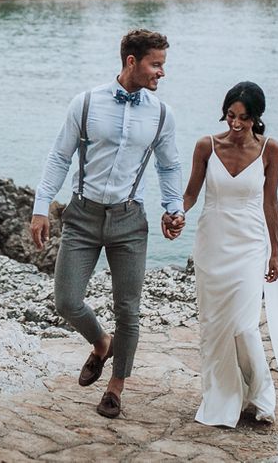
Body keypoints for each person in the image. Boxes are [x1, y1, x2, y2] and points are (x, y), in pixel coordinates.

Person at [29, 29, 185, 419]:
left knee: (128, 309)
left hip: (130, 220)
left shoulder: (161, 113)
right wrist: (41, 205)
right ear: (131, 61)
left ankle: (116, 388)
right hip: (82, 217)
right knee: (66, 300)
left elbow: (169, 164)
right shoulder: (85, 104)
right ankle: (101, 343)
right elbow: (59, 156)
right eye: (156, 63)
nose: (161, 72)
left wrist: (173, 206)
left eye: (163, 64)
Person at [183, 81, 278, 427]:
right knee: (213, 326)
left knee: (244, 326)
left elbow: (271, 202)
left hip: (249, 244)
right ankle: (221, 395)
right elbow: (190, 194)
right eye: (231, 115)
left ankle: (259, 396)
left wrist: (274, 253)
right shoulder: (206, 146)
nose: (236, 122)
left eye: (243, 117)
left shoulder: (270, 150)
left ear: (256, 117)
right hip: (211, 244)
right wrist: (175, 214)